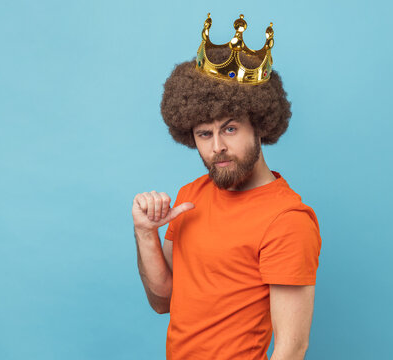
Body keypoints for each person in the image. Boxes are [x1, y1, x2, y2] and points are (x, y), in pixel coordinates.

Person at [132, 13, 322, 360]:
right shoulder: (191, 195)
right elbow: (164, 301)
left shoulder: (287, 220)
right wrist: (145, 233)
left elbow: (292, 348)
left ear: (259, 125)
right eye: (205, 133)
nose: (216, 145)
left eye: (230, 129)